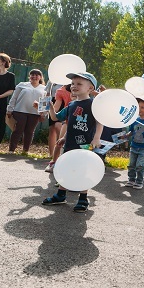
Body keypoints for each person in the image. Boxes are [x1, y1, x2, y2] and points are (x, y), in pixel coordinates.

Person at [43, 72, 103, 213]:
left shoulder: (93, 104)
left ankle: (83, 198)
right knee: (68, 168)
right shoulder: (71, 105)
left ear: (90, 88)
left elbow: (100, 122)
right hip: (70, 143)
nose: (74, 86)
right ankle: (61, 195)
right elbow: (56, 117)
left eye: (79, 84)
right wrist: (51, 106)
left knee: (83, 170)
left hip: (86, 144)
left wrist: (96, 138)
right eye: (73, 84)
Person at [7, 69, 46, 154]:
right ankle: (11, 150)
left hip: (35, 114)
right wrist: (10, 109)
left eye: (37, 75)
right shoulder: (22, 85)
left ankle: (25, 151)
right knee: (17, 130)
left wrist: (43, 114)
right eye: (32, 75)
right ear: (29, 76)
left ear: (40, 77)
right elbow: (14, 98)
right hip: (20, 111)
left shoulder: (44, 89)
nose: (34, 77)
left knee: (29, 132)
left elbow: (44, 102)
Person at [123, 98, 144, 190]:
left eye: (142, 107)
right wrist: (125, 136)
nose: (139, 109)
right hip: (134, 146)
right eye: (138, 106)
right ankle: (131, 180)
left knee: (140, 165)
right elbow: (131, 132)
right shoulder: (134, 120)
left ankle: (139, 182)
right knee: (131, 165)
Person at [44, 84, 72, 172]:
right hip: (67, 122)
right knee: (60, 142)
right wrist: (48, 109)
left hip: (82, 126)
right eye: (72, 93)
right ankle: (54, 162)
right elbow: (54, 116)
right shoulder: (68, 105)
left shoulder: (89, 102)